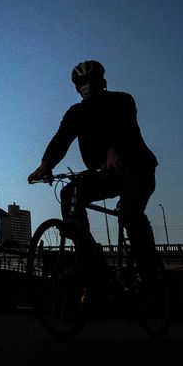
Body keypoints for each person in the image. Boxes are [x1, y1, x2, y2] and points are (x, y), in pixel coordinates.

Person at [28, 60, 159, 281]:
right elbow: (62, 138)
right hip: (105, 174)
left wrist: (113, 150)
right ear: (76, 88)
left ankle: (150, 276)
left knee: (130, 215)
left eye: (91, 81)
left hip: (137, 169)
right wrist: (46, 164)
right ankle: (88, 258)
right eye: (81, 82)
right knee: (69, 194)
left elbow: (125, 127)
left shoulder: (122, 101)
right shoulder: (76, 113)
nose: (87, 85)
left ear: (103, 82)